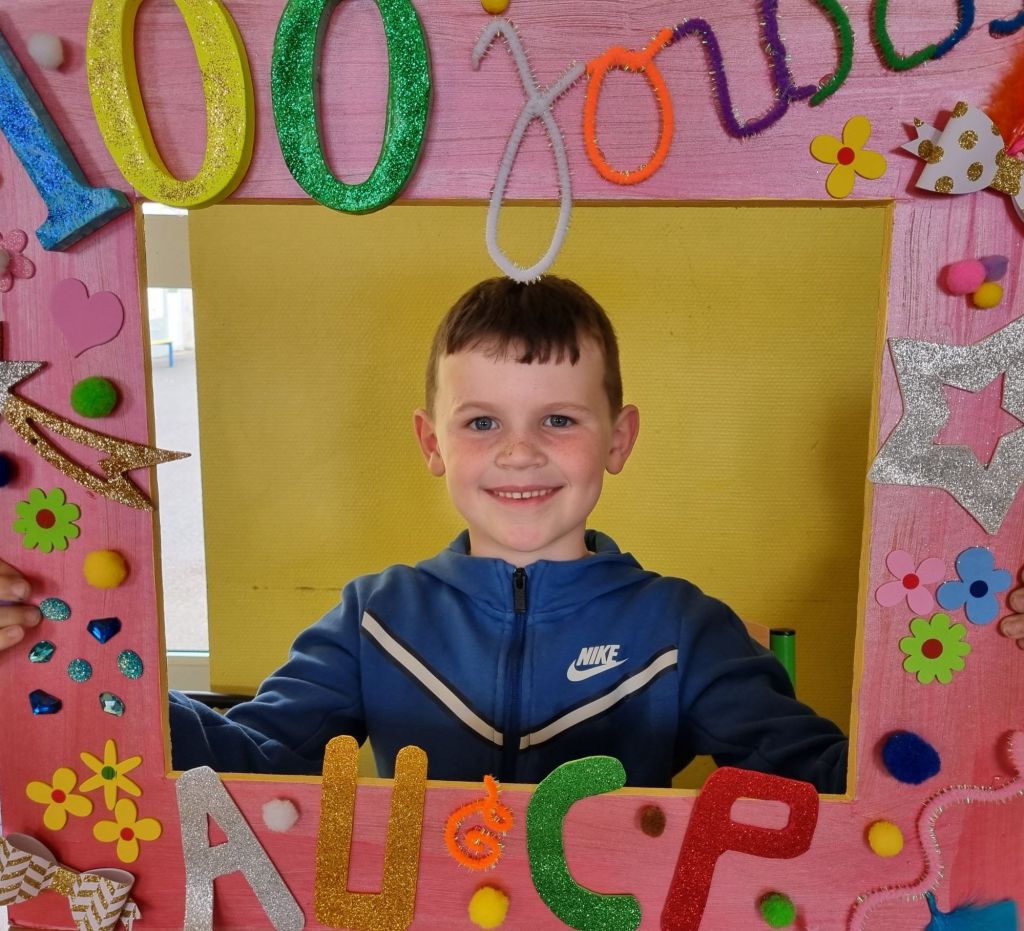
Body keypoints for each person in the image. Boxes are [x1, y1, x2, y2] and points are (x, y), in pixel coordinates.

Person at [0, 276, 1019, 792]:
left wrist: (989, 690)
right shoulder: (373, 616)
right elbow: (248, 753)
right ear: (432, 444)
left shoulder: (682, 628)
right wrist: (76, 664)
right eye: (482, 421)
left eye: (559, 419)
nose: (520, 452)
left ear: (617, 438)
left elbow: (837, 782)